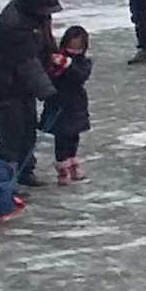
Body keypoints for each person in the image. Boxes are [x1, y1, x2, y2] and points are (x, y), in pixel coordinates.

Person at [0, 0, 61, 185]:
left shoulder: (38, 16)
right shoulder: (13, 25)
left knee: (28, 131)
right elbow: (27, 63)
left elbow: (47, 44)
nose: (50, 12)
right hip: (2, 85)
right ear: (35, 3)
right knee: (12, 138)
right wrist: (49, 94)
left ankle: (24, 172)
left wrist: (58, 60)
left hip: (21, 85)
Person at [42, 26, 92, 185]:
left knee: (73, 137)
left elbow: (79, 77)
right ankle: (63, 168)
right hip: (58, 105)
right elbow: (50, 77)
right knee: (61, 138)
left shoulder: (83, 63)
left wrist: (68, 65)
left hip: (75, 106)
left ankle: (73, 165)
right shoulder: (55, 59)